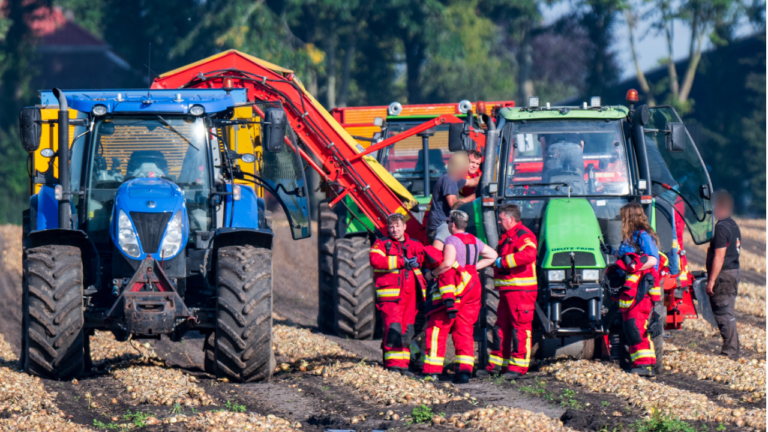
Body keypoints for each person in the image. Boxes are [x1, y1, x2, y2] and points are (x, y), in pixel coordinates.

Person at [421, 211, 498, 383]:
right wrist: (473, 267)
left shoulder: (451, 240)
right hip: (473, 285)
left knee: (438, 327)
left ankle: (431, 371)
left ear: (453, 225)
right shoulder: (474, 239)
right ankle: (463, 372)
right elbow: (493, 255)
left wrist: (432, 274)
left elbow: (448, 264)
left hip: (455, 285)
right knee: (465, 329)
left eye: (449, 222)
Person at [477, 204, 538, 380]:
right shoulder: (508, 237)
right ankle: (496, 366)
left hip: (520, 291)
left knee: (520, 329)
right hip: (506, 290)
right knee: (500, 328)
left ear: (511, 219)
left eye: (501, 218)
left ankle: (518, 368)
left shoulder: (524, 235)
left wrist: (502, 262)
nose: (498, 221)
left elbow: (528, 255)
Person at [602, 202, 660, 376]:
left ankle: (646, 365)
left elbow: (652, 260)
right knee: (630, 327)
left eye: (623, 217)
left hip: (640, 289)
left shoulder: (643, 236)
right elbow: (627, 256)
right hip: (629, 290)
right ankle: (639, 364)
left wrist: (633, 267)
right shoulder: (630, 237)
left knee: (637, 326)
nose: (621, 220)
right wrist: (612, 251)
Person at [369, 214, 427, 376]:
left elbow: (426, 257)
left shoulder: (415, 244)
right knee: (393, 329)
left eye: (397, 226)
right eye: (391, 227)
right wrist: (402, 262)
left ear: (404, 227)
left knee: (407, 332)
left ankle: (403, 365)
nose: (394, 230)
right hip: (391, 297)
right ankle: (393, 366)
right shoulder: (381, 244)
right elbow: (375, 260)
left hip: (411, 297)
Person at [706, 191, 742, 360]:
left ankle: (730, 352)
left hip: (724, 275)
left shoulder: (721, 228)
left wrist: (711, 280)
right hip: (734, 271)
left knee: (723, 312)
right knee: (728, 312)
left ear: (719, 207)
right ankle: (732, 349)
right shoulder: (733, 225)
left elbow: (719, 256)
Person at [427, 152, 472, 246]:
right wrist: (475, 197)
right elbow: (454, 204)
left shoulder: (456, 179)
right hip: (442, 226)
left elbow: (473, 182)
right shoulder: (449, 179)